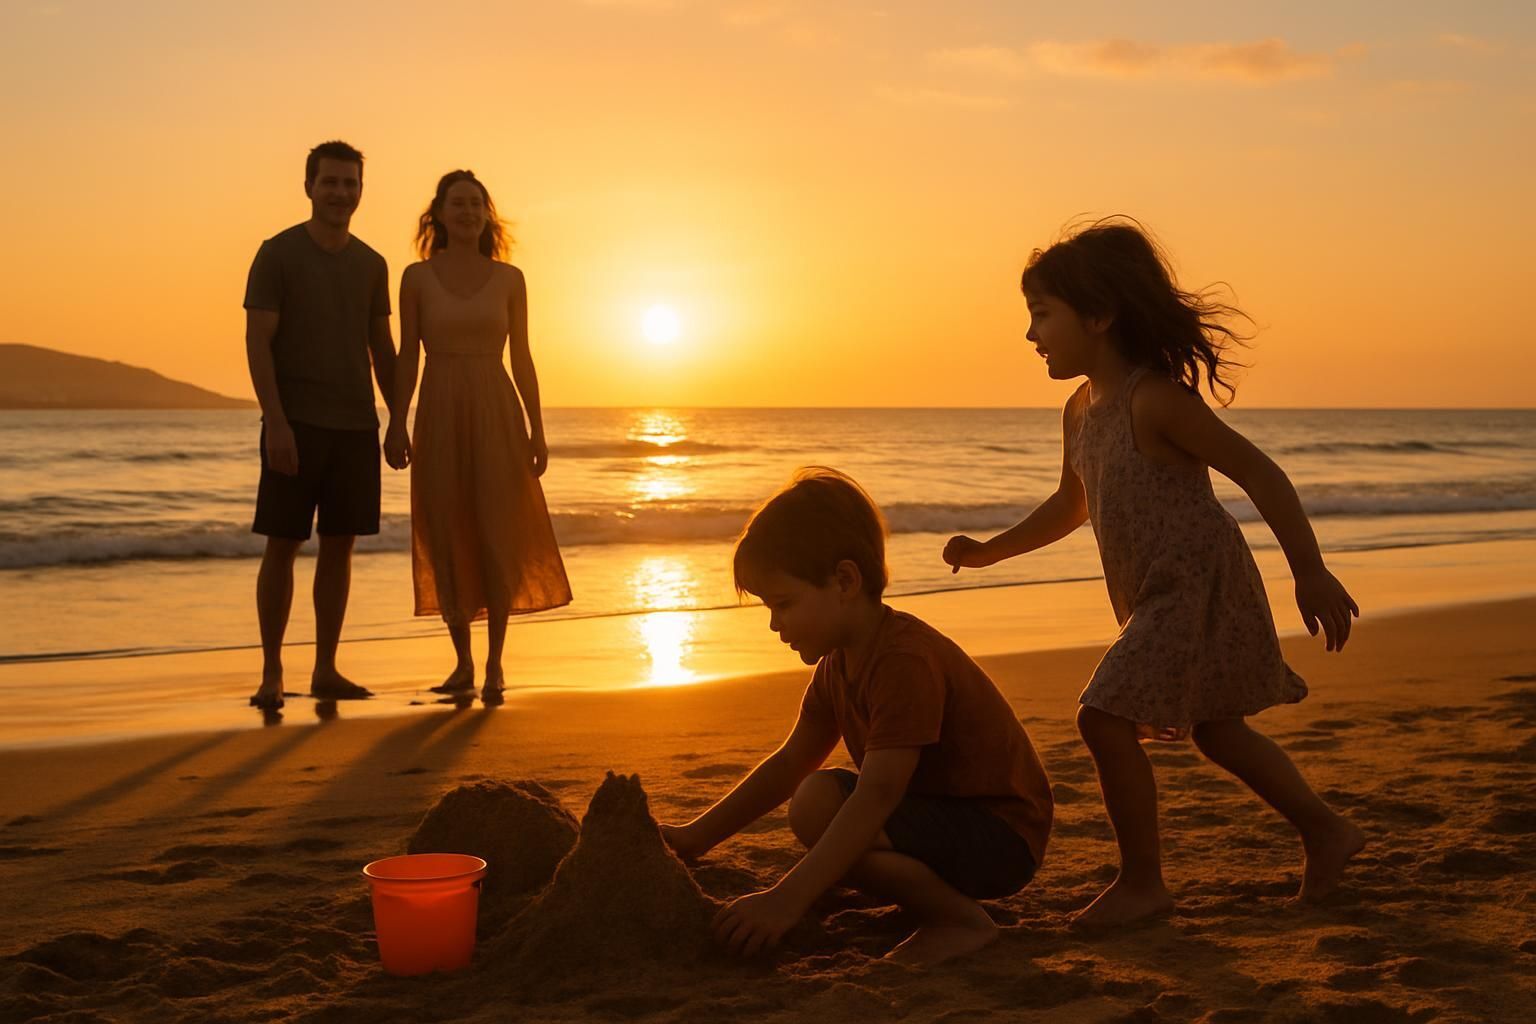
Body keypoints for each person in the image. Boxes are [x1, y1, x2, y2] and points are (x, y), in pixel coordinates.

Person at [942, 218, 1365, 928]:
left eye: (1042, 314)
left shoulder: (1155, 398)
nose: (1029, 334)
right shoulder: (1079, 410)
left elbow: (1260, 473)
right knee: (1218, 732)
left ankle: (1143, 882)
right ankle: (1327, 830)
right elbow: (1071, 504)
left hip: (1198, 585)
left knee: (1103, 716)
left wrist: (1311, 572)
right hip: (1149, 595)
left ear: (1100, 315)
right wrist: (990, 551)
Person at [660, 468, 1053, 966]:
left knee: (818, 806)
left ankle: (958, 919)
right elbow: (790, 762)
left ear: (845, 580)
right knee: (816, 802)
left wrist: (786, 898)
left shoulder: (901, 659)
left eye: (784, 603)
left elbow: (879, 794)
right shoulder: (838, 664)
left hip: (1000, 837)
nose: (775, 624)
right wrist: (697, 835)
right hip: (943, 821)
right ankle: (937, 902)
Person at [384, 170, 572, 705]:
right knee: (446, 532)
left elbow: (523, 357)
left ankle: (494, 665)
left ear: (486, 215)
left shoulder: (510, 278)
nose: (467, 212)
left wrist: (538, 428)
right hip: (439, 409)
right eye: (457, 204)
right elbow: (406, 355)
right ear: (438, 214)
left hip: (496, 408)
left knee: (497, 532)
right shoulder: (416, 277)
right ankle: (462, 662)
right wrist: (396, 420)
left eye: (475, 204)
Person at [244, 140, 396, 712]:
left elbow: (382, 349)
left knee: (340, 548)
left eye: (349, 183)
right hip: (295, 425)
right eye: (330, 182)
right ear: (308, 186)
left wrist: (398, 419)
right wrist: (276, 422)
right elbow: (258, 341)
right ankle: (271, 673)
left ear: (361, 190)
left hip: (355, 427)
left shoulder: (371, 264)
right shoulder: (277, 254)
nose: (340, 193)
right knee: (281, 545)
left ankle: (326, 667)